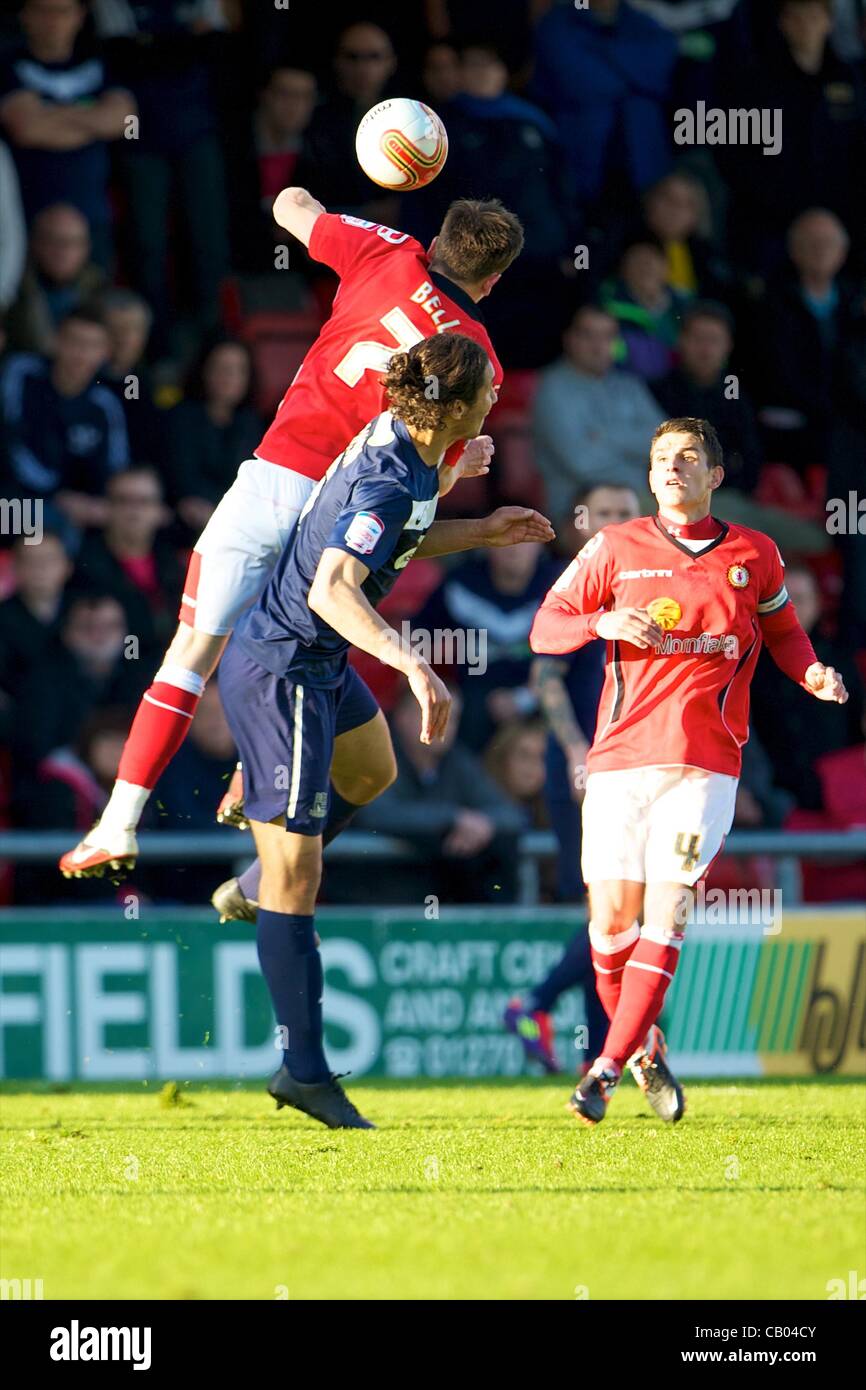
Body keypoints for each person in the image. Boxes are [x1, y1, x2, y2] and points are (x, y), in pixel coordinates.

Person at [59, 191, 524, 880]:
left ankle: (118, 825)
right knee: (299, 648)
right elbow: (428, 489)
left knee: (190, 654)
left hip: (274, 478)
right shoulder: (476, 359)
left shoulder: (387, 253)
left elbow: (288, 205)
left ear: (438, 241)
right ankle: (255, 787)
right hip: (345, 513)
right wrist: (470, 465)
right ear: (494, 280)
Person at [216, 335, 551, 1128]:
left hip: (319, 662)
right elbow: (336, 587)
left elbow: (390, 539)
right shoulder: (391, 476)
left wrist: (484, 529)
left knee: (372, 776)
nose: (499, 402)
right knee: (300, 882)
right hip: (286, 671)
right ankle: (304, 1071)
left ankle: (256, 883)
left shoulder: (409, 447)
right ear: (458, 407)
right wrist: (415, 666)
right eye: (490, 394)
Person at [530, 416, 849, 1125]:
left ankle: (605, 1067)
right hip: (617, 762)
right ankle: (644, 1049)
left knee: (667, 912)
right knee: (610, 927)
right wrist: (601, 624)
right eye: (661, 459)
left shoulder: (754, 553)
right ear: (649, 476)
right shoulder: (614, 547)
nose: (672, 467)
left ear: (715, 475)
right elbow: (545, 628)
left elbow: (784, 631)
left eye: (688, 457)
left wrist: (812, 674)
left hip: (705, 765)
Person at [504, 483, 640, 1074]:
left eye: (625, 512)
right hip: (589, 771)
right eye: (603, 513)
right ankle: (536, 1004)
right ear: (582, 522)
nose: (615, 522)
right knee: (613, 913)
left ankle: (595, 1054)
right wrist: (576, 750)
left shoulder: (647, 584)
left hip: (634, 767)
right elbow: (546, 679)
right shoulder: (576, 587)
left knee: (614, 916)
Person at [0, 0, 134, 263]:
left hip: (94, 212)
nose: (53, 21)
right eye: (43, 11)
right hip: (27, 214)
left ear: (80, 16)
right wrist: (95, 121)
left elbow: (129, 125)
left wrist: (49, 114)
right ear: (25, 15)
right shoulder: (7, 64)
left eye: (62, 11)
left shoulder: (101, 61)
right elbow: (25, 129)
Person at [0, 307, 129, 536]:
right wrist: (58, 496)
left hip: (73, 506)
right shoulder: (21, 373)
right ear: (56, 341)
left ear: (106, 352)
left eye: (92, 346)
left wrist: (98, 503)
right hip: (13, 498)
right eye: (74, 342)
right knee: (55, 524)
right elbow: (11, 444)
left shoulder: (105, 404)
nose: (81, 353)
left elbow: (114, 468)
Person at [532, 305, 662, 518]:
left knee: (723, 511)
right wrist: (638, 467)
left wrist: (604, 436)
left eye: (608, 336)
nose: (598, 345)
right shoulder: (552, 387)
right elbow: (582, 463)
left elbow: (663, 440)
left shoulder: (629, 384)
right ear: (569, 339)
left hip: (639, 500)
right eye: (588, 335)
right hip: (577, 509)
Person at [4, 203, 105, 356]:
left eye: (72, 242)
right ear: (35, 243)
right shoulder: (11, 283)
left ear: (86, 248)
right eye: (53, 240)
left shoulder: (100, 289)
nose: (62, 251)